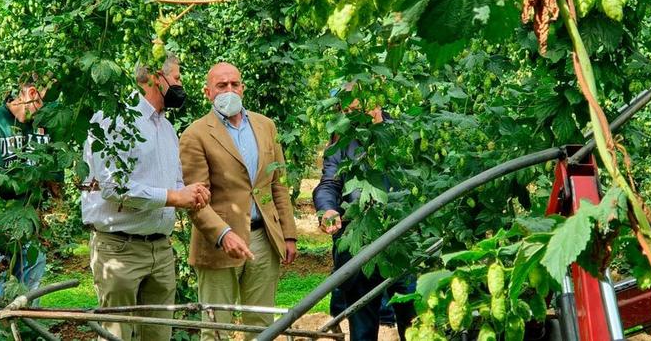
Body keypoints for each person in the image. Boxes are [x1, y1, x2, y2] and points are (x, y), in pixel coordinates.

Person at [81, 54, 210, 341]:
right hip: (120, 248)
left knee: (158, 334)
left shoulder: (166, 129)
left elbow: (174, 182)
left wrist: (191, 193)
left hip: (160, 250)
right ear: (154, 77)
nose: (180, 84)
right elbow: (114, 187)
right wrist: (175, 197)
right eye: (176, 78)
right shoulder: (113, 119)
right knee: (117, 333)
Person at [179, 62, 297, 341]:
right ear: (208, 92)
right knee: (216, 327)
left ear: (242, 87)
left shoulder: (266, 126)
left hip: (263, 238)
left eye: (234, 84)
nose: (229, 90)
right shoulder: (195, 135)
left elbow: (277, 183)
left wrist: (288, 234)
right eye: (221, 86)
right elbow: (195, 199)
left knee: (261, 325)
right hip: (219, 243)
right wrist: (223, 234)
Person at [313, 91, 416, 341]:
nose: (351, 117)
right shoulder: (343, 141)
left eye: (357, 110)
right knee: (361, 327)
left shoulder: (402, 133)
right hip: (359, 240)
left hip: (402, 242)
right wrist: (328, 208)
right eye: (347, 112)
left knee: (413, 321)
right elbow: (329, 183)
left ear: (376, 102)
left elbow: (420, 179)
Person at [0, 75, 53, 314]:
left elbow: (53, 173)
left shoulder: (43, 125)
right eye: (49, 101)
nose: (52, 110)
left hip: (30, 226)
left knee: (27, 304)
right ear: (32, 93)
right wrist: (34, 181)